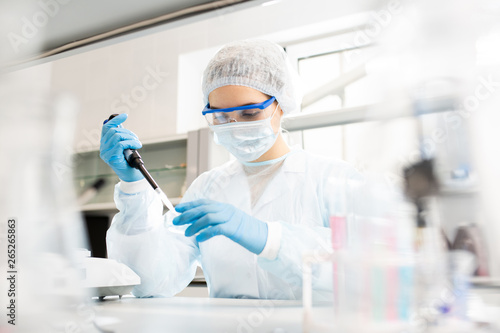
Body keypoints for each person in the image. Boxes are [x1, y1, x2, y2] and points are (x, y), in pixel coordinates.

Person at [100, 39, 360, 300]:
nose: (235, 126)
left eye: (248, 114)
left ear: (281, 105)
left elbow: (364, 271)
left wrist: (270, 239)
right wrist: (133, 186)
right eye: (221, 117)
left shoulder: (333, 180)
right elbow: (149, 282)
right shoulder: (207, 188)